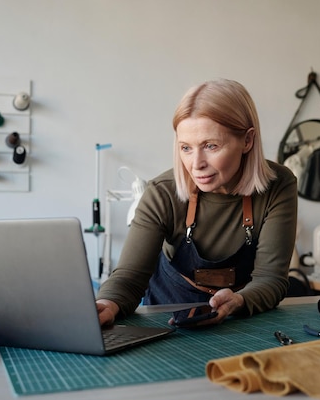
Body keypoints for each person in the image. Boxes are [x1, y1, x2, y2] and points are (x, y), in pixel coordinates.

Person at [95, 78, 298, 327]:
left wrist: (239, 301)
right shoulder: (162, 192)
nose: (196, 164)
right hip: (166, 311)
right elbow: (129, 278)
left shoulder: (278, 185)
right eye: (186, 148)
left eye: (210, 146)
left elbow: (271, 278)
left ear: (247, 140)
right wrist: (106, 304)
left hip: (243, 317)